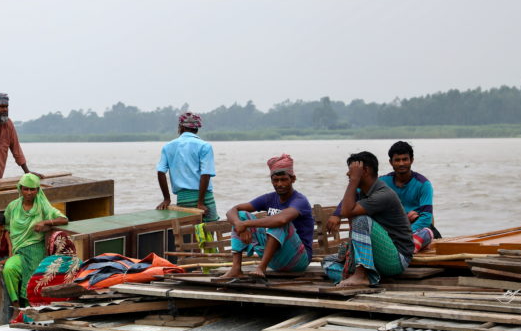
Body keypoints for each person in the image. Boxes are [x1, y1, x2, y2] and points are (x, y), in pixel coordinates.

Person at [322, 151, 414, 288]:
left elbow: (348, 212)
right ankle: (366, 277)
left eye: (351, 171)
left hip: (396, 259)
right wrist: (336, 214)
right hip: (378, 257)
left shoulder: (383, 194)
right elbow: (345, 206)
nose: (348, 174)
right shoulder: (363, 192)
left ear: (363, 171)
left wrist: (354, 180)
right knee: (328, 262)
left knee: (360, 220)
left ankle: (361, 275)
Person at [327, 141, 436, 253]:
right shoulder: (383, 181)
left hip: (415, 228)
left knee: (426, 232)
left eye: (405, 159)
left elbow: (426, 217)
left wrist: (407, 230)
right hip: (395, 229)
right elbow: (355, 193)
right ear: (391, 162)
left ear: (411, 160)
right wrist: (337, 214)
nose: (401, 163)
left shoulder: (423, 184)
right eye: (397, 160)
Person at [221, 154, 314, 282]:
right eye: (275, 180)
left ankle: (261, 267)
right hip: (275, 259)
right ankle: (236, 269)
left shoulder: (300, 200)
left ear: (293, 179)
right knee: (241, 215)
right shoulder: (269, 198)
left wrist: (247, 224)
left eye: (284, 179)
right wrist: (239, 224)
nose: (279, 184)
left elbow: (281, 220)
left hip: (297, 260)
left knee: (279, 221)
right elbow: (232, 210)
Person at [1, 174, 68, 311]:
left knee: (34, 276)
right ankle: (16, 305)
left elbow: (63, 219)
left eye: (32, 189)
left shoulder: (43, 206)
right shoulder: (12, 207)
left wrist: (45, 222)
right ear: (20, 189)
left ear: (38, 190)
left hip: (36, 248)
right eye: (26, 189)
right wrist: (10, 252)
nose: (29, 193)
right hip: (18, 249)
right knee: (9, 269)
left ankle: (31, 307)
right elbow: (7, 229)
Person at [155, 112, 218, 220]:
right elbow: (205, 174)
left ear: (181, 127)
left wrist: (166, 199)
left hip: (183, 199)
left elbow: (161, 172)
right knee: (208, 231)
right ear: (197, 128)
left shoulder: (168, 147)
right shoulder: (204, 146)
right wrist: (200, 202)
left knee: (188, 232)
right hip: (204, 198)